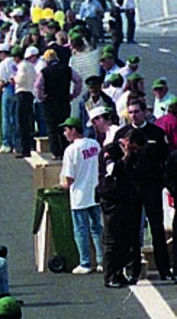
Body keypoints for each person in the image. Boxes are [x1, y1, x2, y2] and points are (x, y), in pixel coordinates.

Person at [112, 98, 172, 282]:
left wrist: (163, 182)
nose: (133, 115)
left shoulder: (156, 133)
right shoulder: (122, 134)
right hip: (131, 190)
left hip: (151, 187)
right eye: (130, 112)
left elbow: (166, 160)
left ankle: (165, 270)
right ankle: (134, 271)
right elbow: (116, 163)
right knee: (132, 232)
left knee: (157, 229)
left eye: (136, 112)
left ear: (145, 112)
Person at [100, 129, 145, 288]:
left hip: (128, 200)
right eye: (132, 148)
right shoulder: (110, 150)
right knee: (112, 240)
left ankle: (119, 273)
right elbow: (112, 170)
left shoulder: (136, 155)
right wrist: (126, 156)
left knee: (126, 241)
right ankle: (110, 275)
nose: (134, 152)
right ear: (125, 141)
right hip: (112, 200)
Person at [58, 117, 103, 274]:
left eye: (66, 130)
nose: (64, 133)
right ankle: (101, 260)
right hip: (95, 192)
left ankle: (85, 262)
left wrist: (63, 186)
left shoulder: (71, 150)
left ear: (73, 130)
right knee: (97, 228)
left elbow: (69, 177)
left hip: (79, 195)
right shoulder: (94, 144)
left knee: (80, 229)